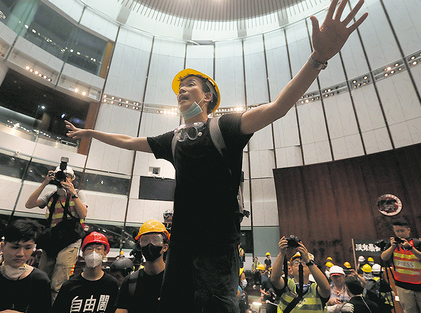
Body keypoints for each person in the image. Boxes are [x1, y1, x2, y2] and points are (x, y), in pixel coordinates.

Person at [65, 1, 367, 310]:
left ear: (208, 96)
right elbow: (129, 140)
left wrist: (318, 58)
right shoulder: (173, 140)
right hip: (180, 249)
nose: (182, 90)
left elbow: (277, 108)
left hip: (219, 252)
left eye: (190, 85)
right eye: (179, 88)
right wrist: (90, 133)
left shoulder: (225, 127)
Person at [25, 164, 87, 301]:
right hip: (52, 240)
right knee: (43, 276)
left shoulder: (78, 194)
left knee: (58, 282)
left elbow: (83, 214)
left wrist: (73, 192)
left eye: (68, 177)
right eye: (61, 177)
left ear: (72, 179)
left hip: (71, 240)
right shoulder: (51, 196)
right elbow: (29, 204)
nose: (64, 179)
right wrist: (45, 182)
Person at [0, 219, 51, 313]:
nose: (21, 254)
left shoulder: (40, 282)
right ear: (2, 246)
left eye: (28, 248)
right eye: (15, 247)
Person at [53, 232, 119, 313]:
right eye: (89, 249)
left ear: (105, 253)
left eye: (98, 249)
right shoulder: (69, 286)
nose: (94, 252)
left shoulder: (111, 284)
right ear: (83, 253)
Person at [115, 219, 169, 313]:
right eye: (145, 240)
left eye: (156, 240)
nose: (150, 244)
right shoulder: (130, 282)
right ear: (140, 245)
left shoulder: (174, 281)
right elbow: (121, 310)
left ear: (165, 247)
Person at [270, 237, 331, 312]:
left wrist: (308, 261)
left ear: (311, 270)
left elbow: (326, 288)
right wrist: (282, 253)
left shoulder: (316, 289)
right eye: (296, 263)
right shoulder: (287, 285)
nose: (300, 266)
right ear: (291, 268)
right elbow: (274, 279)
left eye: (304, 263)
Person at [381, 219, 421, 313]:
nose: (400, 234)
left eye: (402, 231)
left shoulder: (416, 243)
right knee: (409, 310)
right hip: (402, 285)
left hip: (419, 284)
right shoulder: (392, 244)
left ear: (408, 230)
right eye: (397, 231)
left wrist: (411, 248)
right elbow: (384, 257)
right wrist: (392, 247)